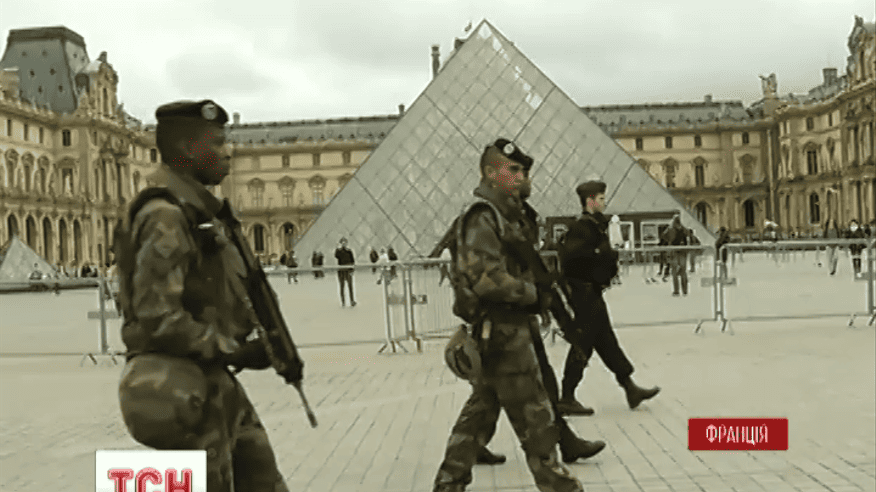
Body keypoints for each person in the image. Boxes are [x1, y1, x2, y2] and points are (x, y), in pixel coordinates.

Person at [113, 100, 294, 492]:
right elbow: (157, 316)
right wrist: (235, 350)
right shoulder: (165, 215)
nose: (227, 152)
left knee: (263, 477)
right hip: (177, 388)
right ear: (187, 149)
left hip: (209, 378)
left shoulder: (196, 211)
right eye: (217, 143)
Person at [434, 138, 586, 492]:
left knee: (480, 415)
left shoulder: (505, 216)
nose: (521, 175)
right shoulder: (483, 216)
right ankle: (560, 487)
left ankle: (448, 484)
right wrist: (534, 296)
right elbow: (486, 279)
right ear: (490, 173)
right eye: (513, 169)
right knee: (536, 419)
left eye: (523, 170)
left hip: (503, 330)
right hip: (502, 333)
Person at [555, 179, 660, 417]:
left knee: (606, 342)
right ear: (590, 201)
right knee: (584, 343)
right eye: (601, 199)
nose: (605, 202)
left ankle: (630, 388)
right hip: (584, 295)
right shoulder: (582, 227)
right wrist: (603, 256)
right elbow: (573, 261)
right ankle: (567, 396)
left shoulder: (593, 225)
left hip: (591, 293)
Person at [662, 216, 690, 297]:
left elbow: (663, 235)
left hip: (674, 252)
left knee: (674, 272)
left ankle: (676, 291)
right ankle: (685, 291)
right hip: (683, 252)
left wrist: (669, 240)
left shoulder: (670, 229)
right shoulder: (683, 229)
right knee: (683, 272)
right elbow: (688, 234)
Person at [334, 237, 356, 307]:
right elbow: (336, 255)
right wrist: (337, 247)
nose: (344, 244)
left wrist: (352, 270)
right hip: (341, 271)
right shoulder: (339, 251)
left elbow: (352, 261)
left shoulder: (349, 251)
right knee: (342, 286)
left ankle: (352, 301)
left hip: (347, 270)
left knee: (350, 286)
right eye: (342, 242)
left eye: (345, 242)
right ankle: (343, 302)